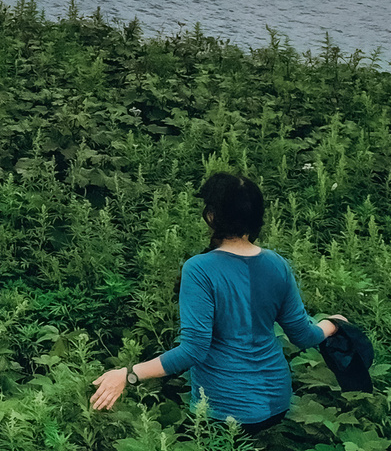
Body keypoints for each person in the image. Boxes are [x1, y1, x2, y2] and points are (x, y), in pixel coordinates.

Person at [87, 172, 343, 428]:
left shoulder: (200, 269)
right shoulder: (278, 264)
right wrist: (334, 323)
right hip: (277, 401)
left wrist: (129, 374)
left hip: (224, 409)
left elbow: (193, 350)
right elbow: (303, 334)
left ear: (212, 216)